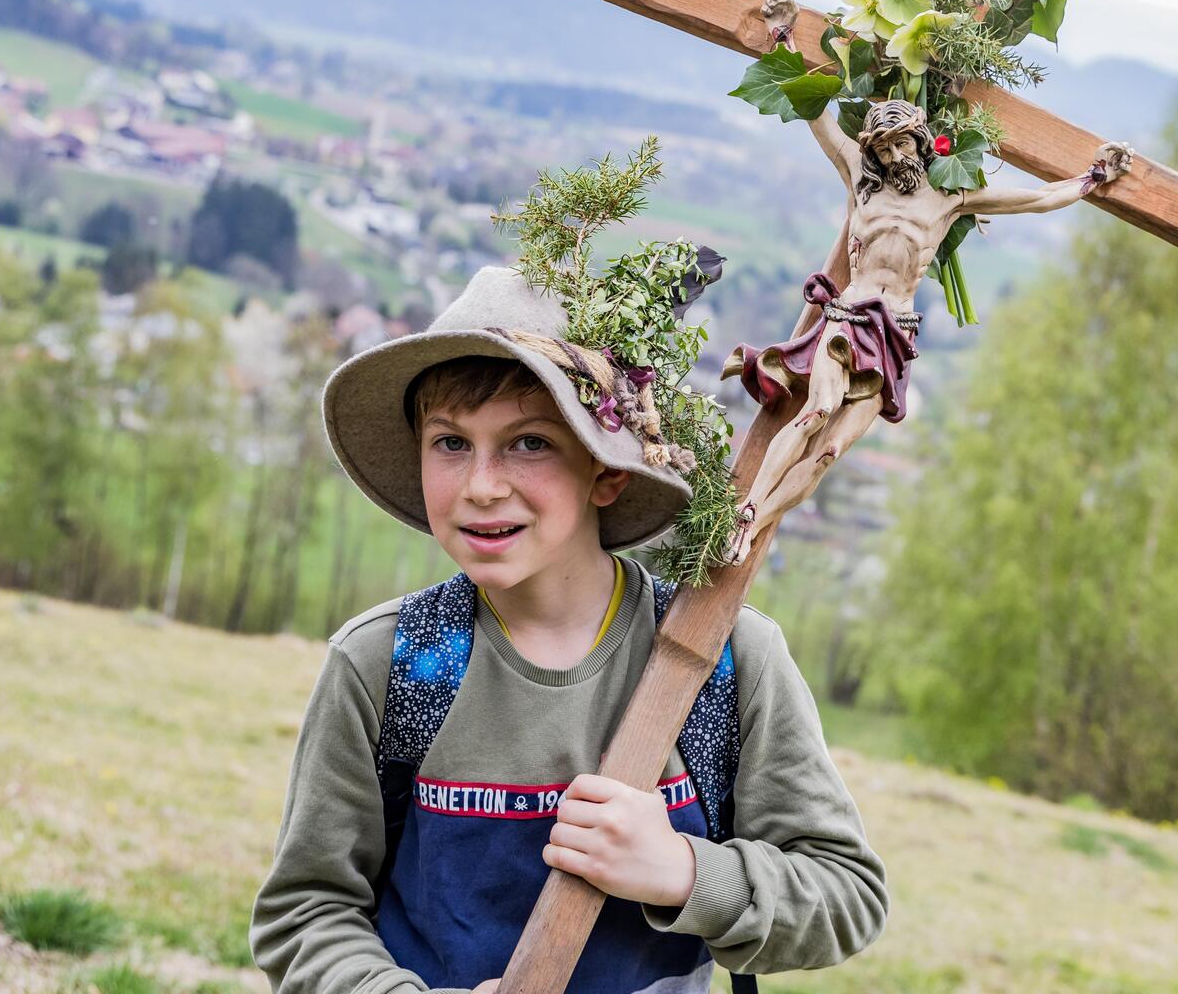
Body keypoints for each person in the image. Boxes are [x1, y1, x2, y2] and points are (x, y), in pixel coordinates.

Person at [249, 264, 889, 993]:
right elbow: (305, 913)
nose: (482, 485)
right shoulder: (386, 666)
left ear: (607, 471)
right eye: (451, 443)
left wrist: (682, 871)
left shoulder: (726, 660)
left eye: (530, 443)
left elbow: (847, 895)